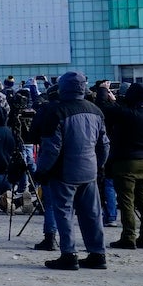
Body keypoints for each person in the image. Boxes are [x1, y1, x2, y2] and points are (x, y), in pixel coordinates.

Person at [35, 70, 110, 271]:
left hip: (64, 171)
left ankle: (69, 254)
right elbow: (104, 144)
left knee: (64, 213)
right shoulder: (95, 110)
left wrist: (41, 170)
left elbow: (52, 148)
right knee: (92, 213)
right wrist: (100, 164)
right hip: (90, 169)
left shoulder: (56, 111)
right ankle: (97, 253)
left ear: (62, 88)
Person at [104, 82, 143, 250]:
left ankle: (128, 236)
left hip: (124, 162)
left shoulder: (127, 114)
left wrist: (106, 93)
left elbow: (107, 109)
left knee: (126, 201)